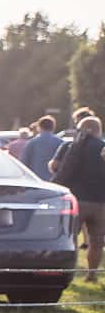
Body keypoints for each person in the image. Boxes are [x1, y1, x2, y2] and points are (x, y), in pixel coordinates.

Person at [54, 115, 105, 277]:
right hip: (101, 201)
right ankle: (92, 274)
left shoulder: (72, 146)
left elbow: (58, 167)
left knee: (71, 238)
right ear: (98, 130)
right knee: (97, 242)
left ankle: (71, 272)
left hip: (77, 199)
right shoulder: (103, 147)